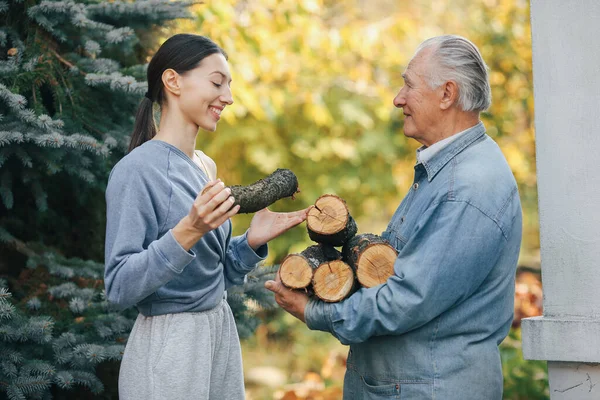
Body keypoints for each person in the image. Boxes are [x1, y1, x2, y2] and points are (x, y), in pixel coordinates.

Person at [266, 35, 522, 400]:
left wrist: (314, 312)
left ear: (447, 94)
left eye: (408, 84)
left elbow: (406, 300)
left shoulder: (466, 188)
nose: (398, 98)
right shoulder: (446, 171)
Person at [104, 34, 307, 400]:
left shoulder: (204, 165)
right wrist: (189, 229)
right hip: (171, 347)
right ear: (173, 81)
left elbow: (211, 277)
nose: (228, 97)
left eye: (229, 85)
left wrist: (251, 243)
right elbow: (119, 287)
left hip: (217, 331)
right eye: (217, 82)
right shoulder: (135, 172)